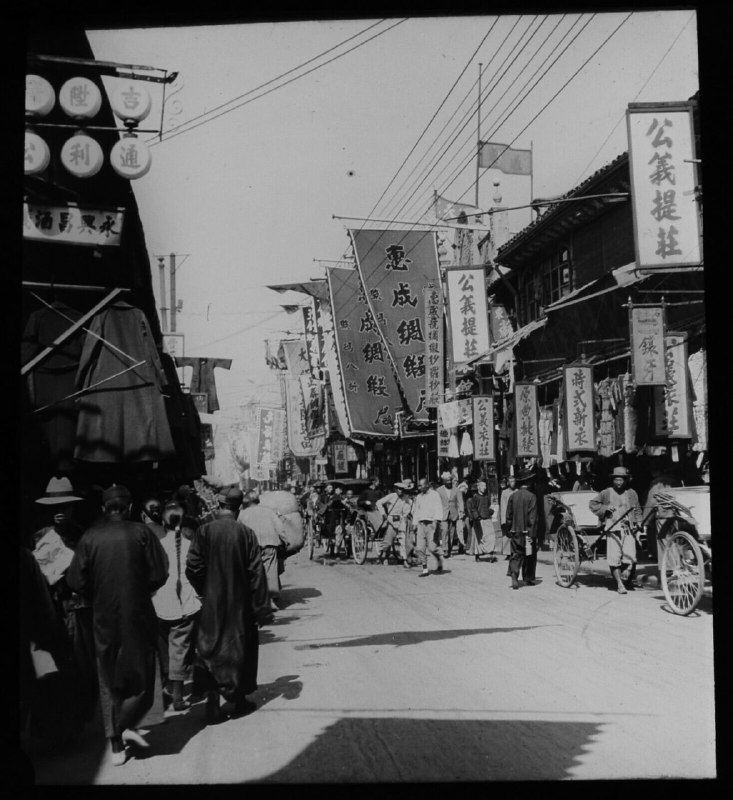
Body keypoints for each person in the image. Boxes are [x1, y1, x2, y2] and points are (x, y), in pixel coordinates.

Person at [66, 484, 168, 766]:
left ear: (103, 509)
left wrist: (96, 593)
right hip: (139, 614)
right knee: (142, 671)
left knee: (109, 676)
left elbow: (75, 581)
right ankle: (131, 723)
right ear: (129, 507)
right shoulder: (142, 533)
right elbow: (160, 572)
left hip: (103, 616)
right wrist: (141, 588)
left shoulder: (89, 537)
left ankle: (115, 743)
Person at [185, 486, 270, 724]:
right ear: (238, 508)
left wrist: (205, 588)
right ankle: (239, 701)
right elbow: (256, 572)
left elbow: (192, 567)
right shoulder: (246, 534)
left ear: (219, 506)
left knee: (210, 647)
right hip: (240, 603)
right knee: (240, 648)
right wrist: (261, 607)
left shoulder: (203, 532)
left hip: (212, 601)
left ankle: (212, 699)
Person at [152, 500, 201, 712]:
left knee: (165, 650)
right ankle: (178, 697)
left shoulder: (158, 544)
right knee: (180, 651)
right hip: (185, 602)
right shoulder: (192, 543)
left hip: (160, 602)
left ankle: (168, 690)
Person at [589, 466, 643, 594]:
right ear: (613, 480)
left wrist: (639, 523)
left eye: (621, 480)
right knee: (614, 557)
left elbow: (637, 509)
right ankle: (619, 584)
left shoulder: (631, 493)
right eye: (616, 480)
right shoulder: (606, 493)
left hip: (628, 528)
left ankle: (624, 574)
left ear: (626, 480)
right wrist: (605, 509)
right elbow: (593, 504)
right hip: (612, 528)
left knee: (630, 557)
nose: (619, 482)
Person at [238, 489, 290, 610]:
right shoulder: (269, 512)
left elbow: (238, 532)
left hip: (251, 547)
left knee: (253, 571)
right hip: (269, 544)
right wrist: (285, 540)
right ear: (258, 500)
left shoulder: (242, 515)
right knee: (270, 570)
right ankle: (270, 600)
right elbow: (279, 527)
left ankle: (255, 599)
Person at [506, 469, 538, 589]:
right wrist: (531, 533)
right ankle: (528, 578)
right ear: (529, 482)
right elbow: (533, 517)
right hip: (527, 532)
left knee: (516, 554)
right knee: (529, 555)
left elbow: (508, 515)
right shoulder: (532, 497)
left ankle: (514, 576)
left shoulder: (513, 496)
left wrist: (509, 529)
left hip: (515, 531)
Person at [411, 477, 445, 577]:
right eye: (419, 485)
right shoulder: (418, 497)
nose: (419, 487)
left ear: (427, 485)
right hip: (421, 524)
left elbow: (438, 508)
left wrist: (436, 521)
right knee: (419, 547)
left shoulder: (435, 495)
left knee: (432, 547)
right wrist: (414, 524)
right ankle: (425, 569)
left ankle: (439, 559)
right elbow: (416, 510)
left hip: (431, 524)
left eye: (421, 485)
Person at [375, 479, 414, 567]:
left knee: (403, 540)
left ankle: (405, 560)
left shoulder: (406, 498)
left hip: (401, 520)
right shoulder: (392, 496)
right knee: (388, 542)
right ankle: (384, 555)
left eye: (402, 489)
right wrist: (383, 514)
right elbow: (379, 502)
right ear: (396, 489)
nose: (400, 491)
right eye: (399, 489)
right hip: (391, 519)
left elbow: (408, 509)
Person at [466, 480, 497, 562]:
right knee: (479, 539)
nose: (484, 488)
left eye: (485, 486)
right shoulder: (475, 497)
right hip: (479, 521)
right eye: (483, 486)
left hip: (488, 520)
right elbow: (473, 508)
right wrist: (477, 517)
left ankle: (491, 555)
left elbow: (490, 506)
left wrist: (491, 511)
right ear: (479, 487)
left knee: (491, 537)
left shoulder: (487, 497)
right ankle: (477, 555)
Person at [435, 472, 453, 556]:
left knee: (452, 532)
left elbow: (459, 502)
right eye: (447, 480)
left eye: (450, 480)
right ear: (444, 481)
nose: (449, 482)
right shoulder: (439, 490)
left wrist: (461, 511)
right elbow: (436, 503)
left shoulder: (455, 489)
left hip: (453, 514)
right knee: (445, 531)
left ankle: (450, 548)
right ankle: (445, 549)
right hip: (443, 514)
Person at [499, 475, 517, 560]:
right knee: (506, 535)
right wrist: (503, 520)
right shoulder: (504, 492)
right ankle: (507, 553)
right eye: (511, 481)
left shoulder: (517, 491)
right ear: (508, 483)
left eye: (513, 481)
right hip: (507, 516)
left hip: (516, 516)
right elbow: (503, 506)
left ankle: (514, 551)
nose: (512, 483)